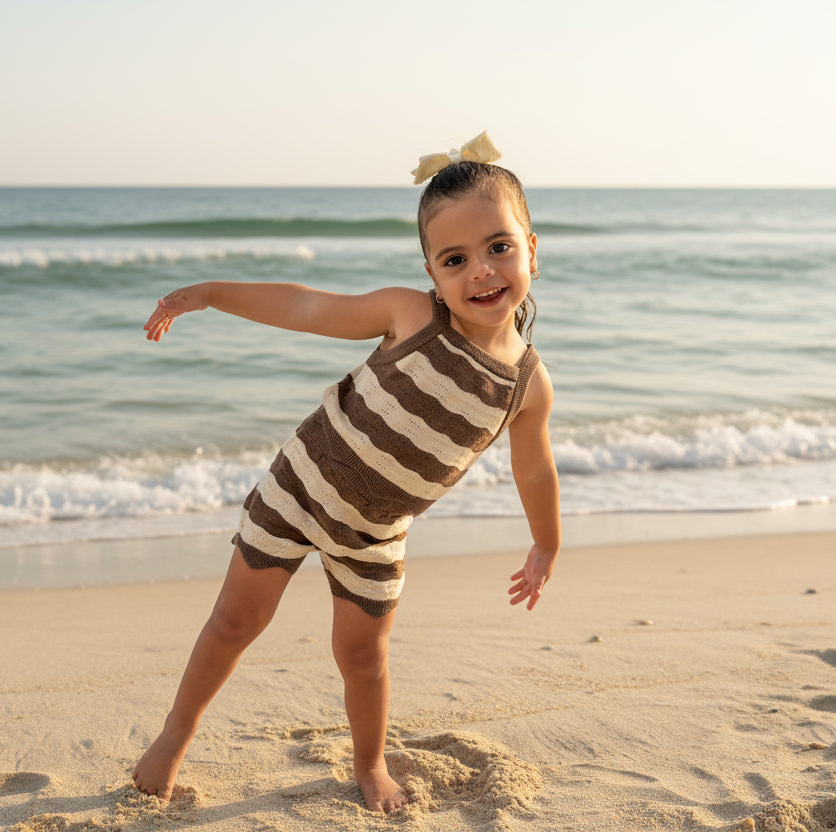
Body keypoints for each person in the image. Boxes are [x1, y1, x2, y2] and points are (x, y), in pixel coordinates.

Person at [132, 137, 561, 814]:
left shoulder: (527, 387)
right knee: (235, 621)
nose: (480, 271)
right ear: (431, 270)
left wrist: (546, 542)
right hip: (300, 486)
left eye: (498, 248)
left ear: (531, 249)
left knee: (363, 656)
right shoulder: (409, 315)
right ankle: (172, 738)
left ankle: (369, 765)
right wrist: (210, 294)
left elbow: (533, 465)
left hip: (376, 532)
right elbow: (305, 306)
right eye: (455, 259)